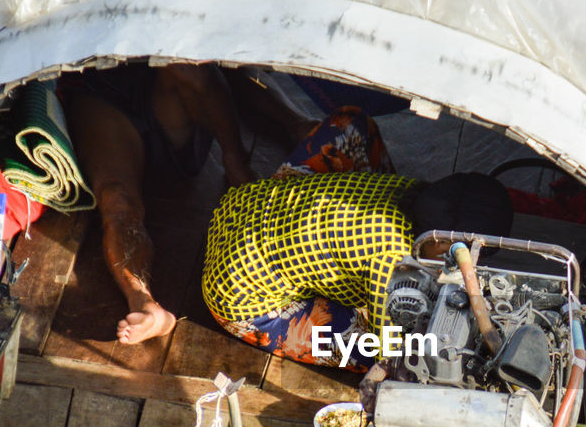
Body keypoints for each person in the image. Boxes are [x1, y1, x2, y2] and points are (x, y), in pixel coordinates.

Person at [201, 107, 514, 369]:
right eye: (464, 255)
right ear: (442, 243)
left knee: (353, 124)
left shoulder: (411, 188)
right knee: (386, 351)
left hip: (244, 207)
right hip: (238, 295)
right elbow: (387, 352)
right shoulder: (394, 265)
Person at [65, 62, 255, 344]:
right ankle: (143, 302)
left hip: (169, 82)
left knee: (191, 67)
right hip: (101, 91)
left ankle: (237, 163)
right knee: (116, 197)